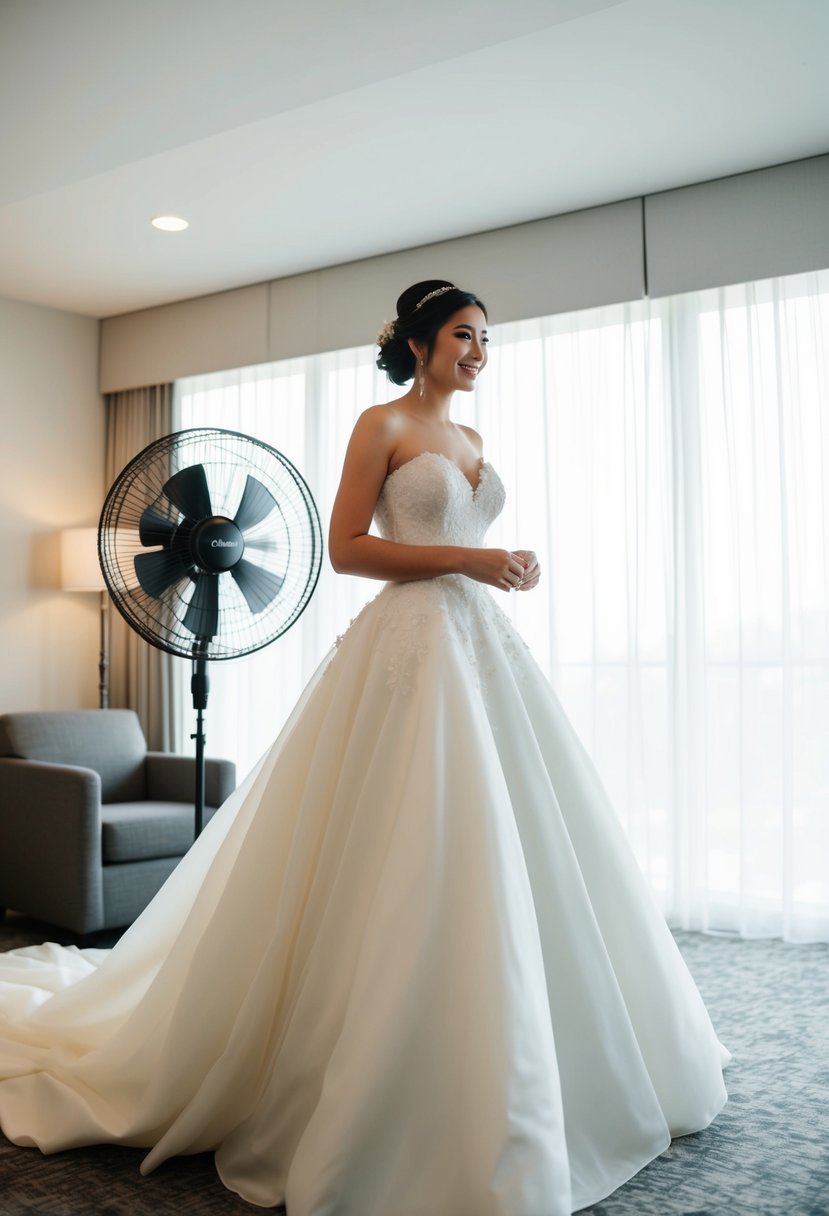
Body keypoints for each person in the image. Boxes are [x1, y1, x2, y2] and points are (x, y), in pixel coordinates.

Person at [0, 280, 728, 1216]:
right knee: (402, 828)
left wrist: (504, 562)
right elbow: (346, 548)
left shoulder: (473, 441)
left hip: (477, 644)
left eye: (485, 340)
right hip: (409, 645)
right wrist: (469, 559)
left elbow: (463, 534)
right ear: (420, 343)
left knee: (511, 830)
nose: (478, 353)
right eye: (465, 336)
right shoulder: (379, 427)